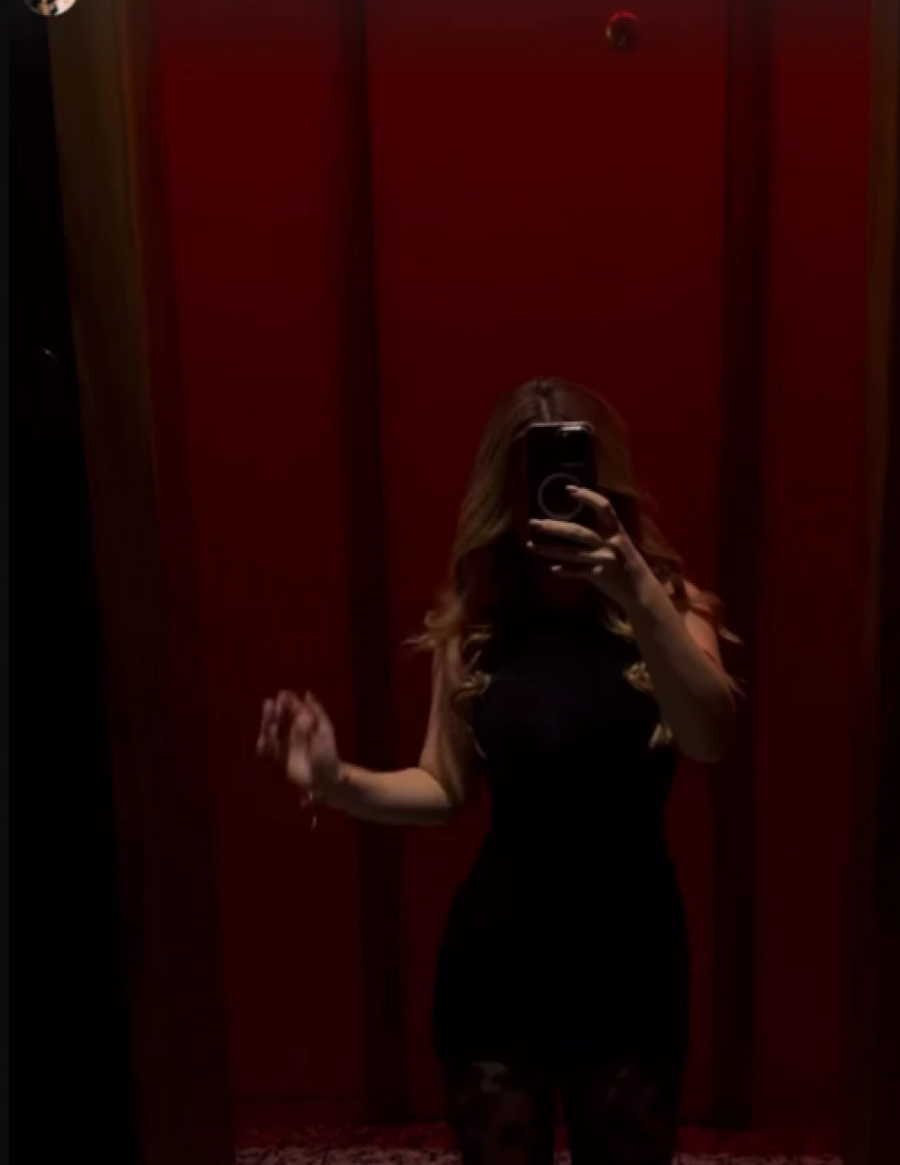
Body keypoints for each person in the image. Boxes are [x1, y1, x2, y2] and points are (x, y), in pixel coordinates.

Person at [257, 377, 739, 1165]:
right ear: (503, 500)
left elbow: (710, 737)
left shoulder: (674, 610)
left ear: (609, 489)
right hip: (499, 955)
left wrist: (636, 590)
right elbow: (443, 785)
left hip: (630, 951)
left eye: (573, 485)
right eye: (531, 490)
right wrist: (336, 777)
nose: (550, 508)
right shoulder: (477, 625)